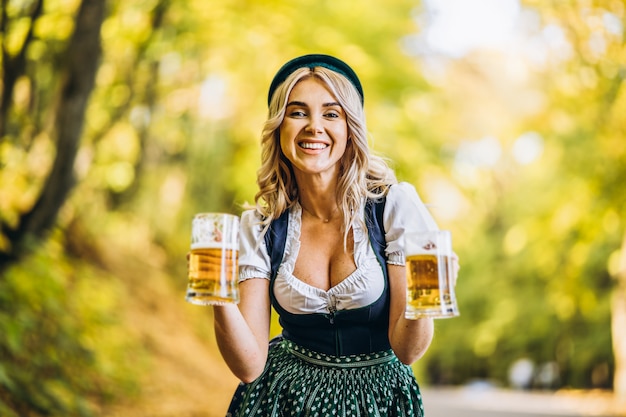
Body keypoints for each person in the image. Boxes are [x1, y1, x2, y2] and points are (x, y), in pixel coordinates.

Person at [214, 54, 458, 416]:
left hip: (378, 402)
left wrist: (428, 299)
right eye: (297, 113)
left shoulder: (392, 207)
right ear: (279, 127)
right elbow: (249, 366)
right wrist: (216, 294)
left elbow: (407, 350)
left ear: (350, 128)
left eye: (331, 114)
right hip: (283, 401)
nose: (314, 126)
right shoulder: (262, 228)